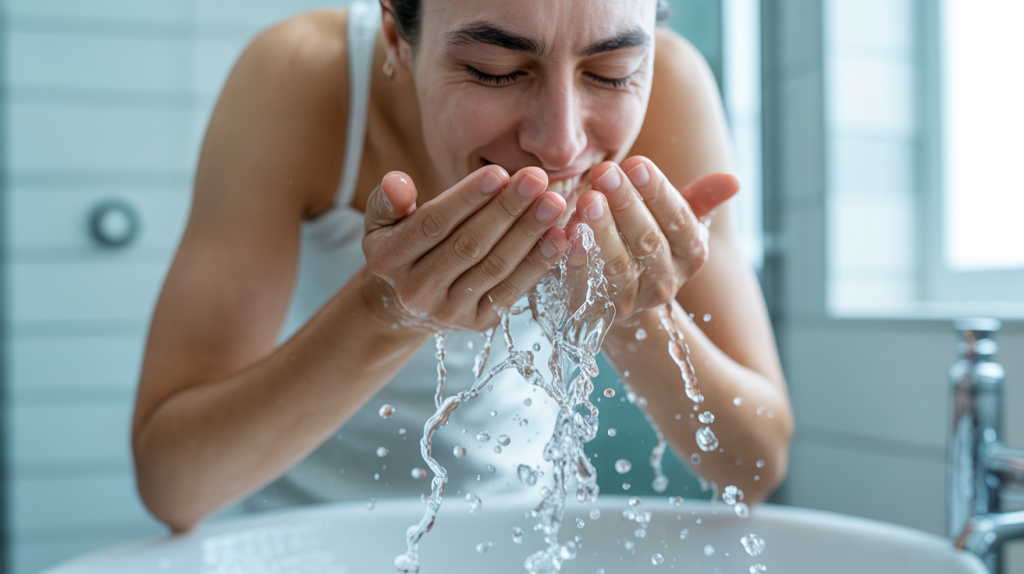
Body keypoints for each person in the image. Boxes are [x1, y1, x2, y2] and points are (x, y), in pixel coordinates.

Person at [131, 0, 793, 533]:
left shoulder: (674, 86)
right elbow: (176, 486)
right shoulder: (301, 76)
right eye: (494, 69)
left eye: (613, 72)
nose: (560, 143)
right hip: (306, 534)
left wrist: (629, 313)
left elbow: (753, 468)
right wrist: (386, 312)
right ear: (397, 37)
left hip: (521, 531)